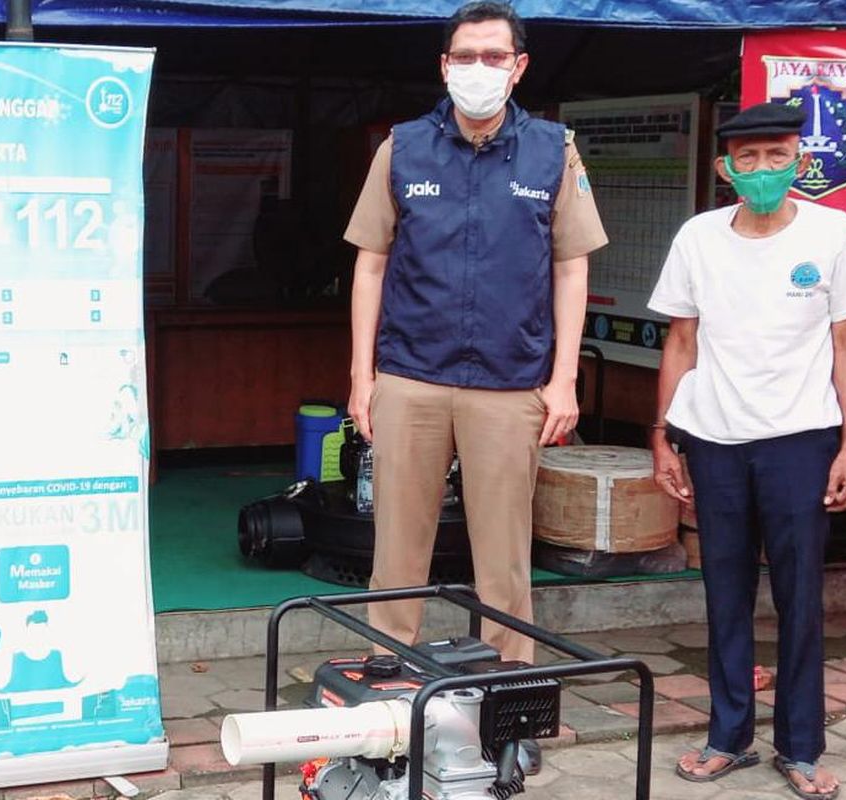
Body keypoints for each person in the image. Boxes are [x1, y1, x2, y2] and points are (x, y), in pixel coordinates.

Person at [341, 0, 607, 757]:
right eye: (466, 56)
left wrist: (563, 380)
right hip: (411, 377)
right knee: (397, 543)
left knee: (503, 552)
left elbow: (571, 266)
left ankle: (510, 703)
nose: (480, 70)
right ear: (444, 66)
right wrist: (363, 378)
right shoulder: (403, 149)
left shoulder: (554, 151)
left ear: (519, 67)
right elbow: (370, 263)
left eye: (496, 56)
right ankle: (388, 691)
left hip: (510, 383)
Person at [648, 102, 846, 799]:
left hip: (801, 441)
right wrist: (664, 435)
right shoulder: (699, 238)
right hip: (714, 438)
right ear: (725, 169)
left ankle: (801, 747)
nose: (762, 171)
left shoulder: (835, 232)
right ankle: (728, 736)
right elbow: (681, 340)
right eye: (746, 159)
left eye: (776, 156)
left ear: (799, 160)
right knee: (724, 591)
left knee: (801, 594)